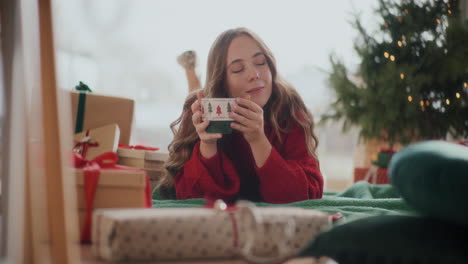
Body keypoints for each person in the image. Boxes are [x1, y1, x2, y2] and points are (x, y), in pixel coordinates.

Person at [158, 27, 323, 203]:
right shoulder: (201, 110)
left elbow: (307, 194)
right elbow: (193, 199)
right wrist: (207, 144)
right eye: (237, 69)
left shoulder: (289, 108)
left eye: (260, 62)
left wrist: (258, 139)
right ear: (221, 82)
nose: (255, 74)